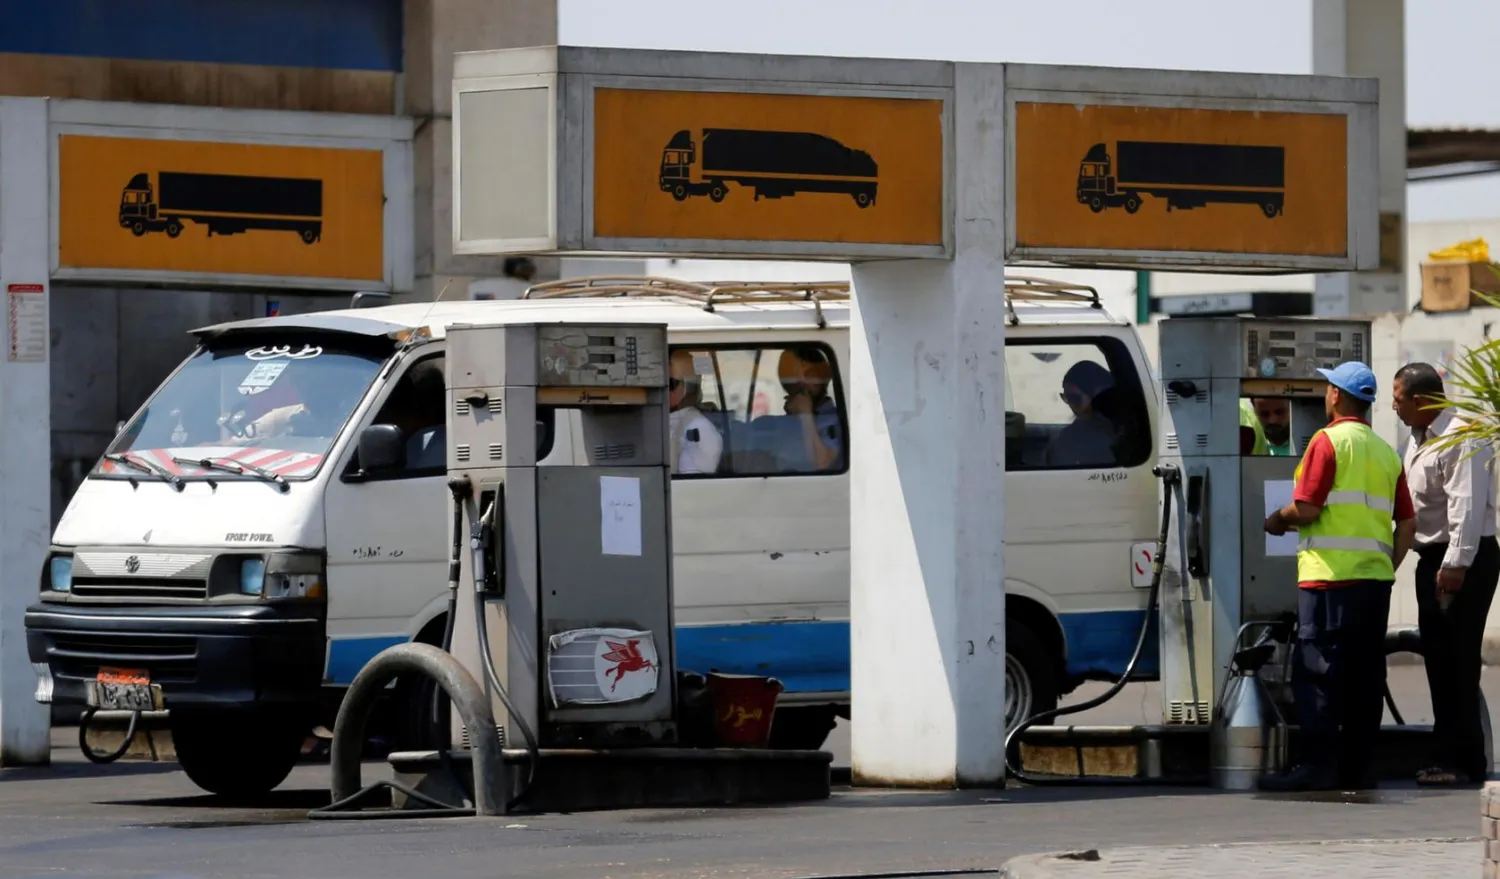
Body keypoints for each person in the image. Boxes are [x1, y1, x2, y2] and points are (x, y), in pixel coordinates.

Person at [1260, 361, 1417, 792]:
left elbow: (1307, 509)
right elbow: (1407, 523)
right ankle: (1359, 768)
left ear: (1334, 395)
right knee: (1366, 676)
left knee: (1318, 674)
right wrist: (1386, 565)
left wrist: (1277, 519)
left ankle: (1317, 768)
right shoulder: (1387, 452)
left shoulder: (1327, 444)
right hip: (1373, 586)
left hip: (1328, 583)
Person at [1392, 361, 1499, 786]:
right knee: (1438, 660)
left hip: (1462, 561)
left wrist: (1456, 565)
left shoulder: (1461, 435)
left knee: (1458, 659)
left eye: (1399, 400)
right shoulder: (1417, 437)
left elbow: (1467, 508)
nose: (1394, 407)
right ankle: (1446, 753)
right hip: (1432, 558)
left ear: (1420, 401)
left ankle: (1462, 759)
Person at [777, 346, 842, 472]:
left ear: (823, 378)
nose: (803, 384)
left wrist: (806, 415)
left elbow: (822, 462)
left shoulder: (835, 420)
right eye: (793, 380)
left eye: (810, 375)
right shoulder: (786, 423)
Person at [1044, 360, 1119, 467]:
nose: (1071, 404)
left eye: (1075, 398)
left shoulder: (1118, 433)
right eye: (1066, 398)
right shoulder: (1070, 436)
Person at [668, 349, 722, 475]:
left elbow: (688, 486)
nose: (662, 388)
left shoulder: (698, 428)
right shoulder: (664, 421)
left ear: (689, 388)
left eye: (670, 384)